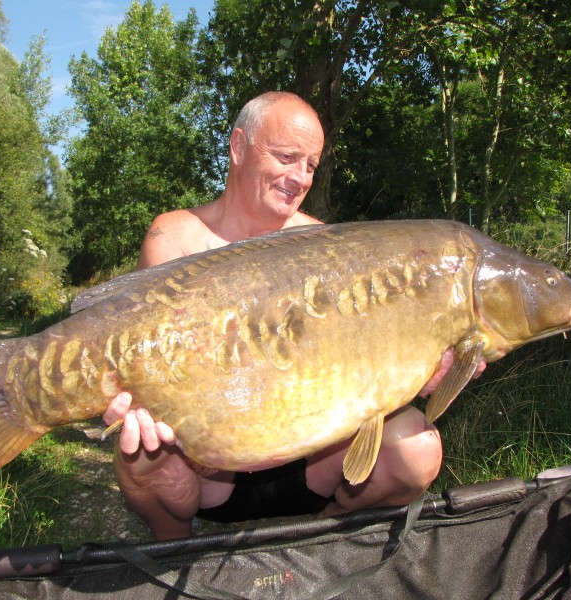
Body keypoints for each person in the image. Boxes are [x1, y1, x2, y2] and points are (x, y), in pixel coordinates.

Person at [102, 91, 474, 540]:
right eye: (286, 157)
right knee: (141, 455)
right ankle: (175, 552)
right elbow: (152, 363)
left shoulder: (328, 245)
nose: (299, 177)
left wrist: (422, 375)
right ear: (239, 147)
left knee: (417, 449)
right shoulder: (176, 237)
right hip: (208, 473)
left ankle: (321, 537)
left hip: (314, 460)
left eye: (311, 165)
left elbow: (366, 368)